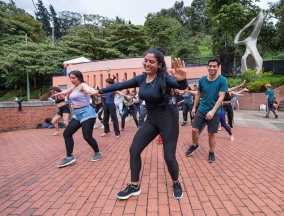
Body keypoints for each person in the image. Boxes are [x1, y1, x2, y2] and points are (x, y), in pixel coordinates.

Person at [91, 48, 188, 200]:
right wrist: (99, 91)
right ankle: (134, 186)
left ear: (159, 64)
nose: (147, 64)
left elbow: (180, 86)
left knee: (169, 157)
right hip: (151, 119)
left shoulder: (164, 78)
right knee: (134, 150)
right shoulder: (141, 78)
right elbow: (121, 85)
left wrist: (182, 80)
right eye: (146, 60)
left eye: (152, 61)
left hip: (168, 118)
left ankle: (176, 182)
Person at [53, 70, 102, 168]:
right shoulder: (74, 87)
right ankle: (69, 157)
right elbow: (67, 92)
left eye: (73, 78)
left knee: (87, 136)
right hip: (77, 114)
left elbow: (89, 89)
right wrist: (57, 94)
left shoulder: (83, 85)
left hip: (87, 113)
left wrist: (95, 92)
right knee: (67, 134)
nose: (71, 80)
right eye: (70, 78)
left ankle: (97, 152)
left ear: (79, 78)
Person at [185, 57, 228, 163]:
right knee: (194, 129)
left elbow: (221, 97)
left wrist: (212, 111)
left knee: (210, 133)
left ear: (218, 67)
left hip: (215, 111)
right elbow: (198, 94)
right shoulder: (202, 79)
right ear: (207, 67)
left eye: (214, 66)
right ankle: (195, 145)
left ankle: (211, 152)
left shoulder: (222, 80)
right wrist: (194, 107)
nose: (212, 68)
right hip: (202, 109)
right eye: (210, 66)